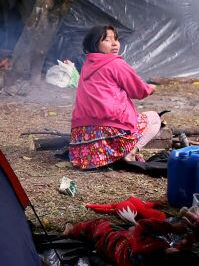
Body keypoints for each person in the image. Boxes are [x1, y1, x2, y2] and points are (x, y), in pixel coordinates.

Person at [68, 25, 161, 169]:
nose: (114, 43)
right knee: (154, 118)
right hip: (111, 133)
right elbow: (139, 91)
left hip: (82, 138)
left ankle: (106, 156)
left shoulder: (87, 65)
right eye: (107, 40)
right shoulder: (115, 63)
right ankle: (131, 152)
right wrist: (150, 88)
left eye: (116, 39)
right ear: (95, 44)